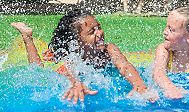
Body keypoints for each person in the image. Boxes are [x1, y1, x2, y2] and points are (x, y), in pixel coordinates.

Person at [11, 9, 155, 103]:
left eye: (99, 27)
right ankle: (27, 37)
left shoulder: (109, 49)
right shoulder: (73, 56)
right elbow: (70, 69)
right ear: (77, 41)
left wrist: (139, 85)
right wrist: (75, 83)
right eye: (92, 32)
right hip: (63, 71)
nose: (99, 33)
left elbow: (124, 66)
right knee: (38, 72)